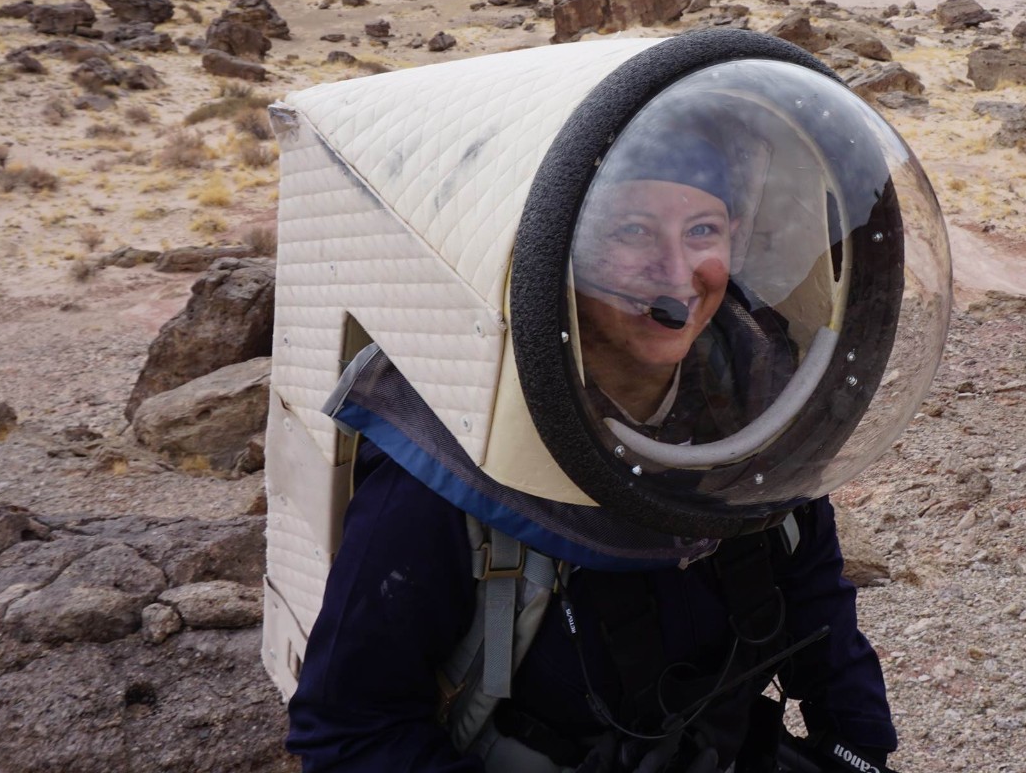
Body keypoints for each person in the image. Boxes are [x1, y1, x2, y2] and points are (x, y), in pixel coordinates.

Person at [286, 142, 899, 773]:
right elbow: (350, 732)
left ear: (735, 243)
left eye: (702, 231)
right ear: (561, 247)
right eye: (632, 231)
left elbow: (817, 604)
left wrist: (860, 747)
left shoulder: (760, 419)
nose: (676, 270)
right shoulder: (455, 464)